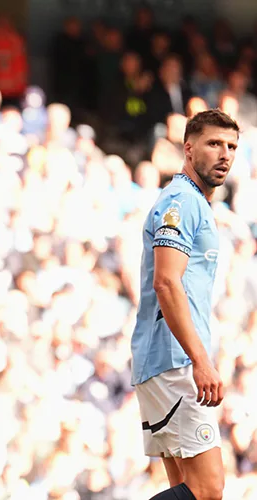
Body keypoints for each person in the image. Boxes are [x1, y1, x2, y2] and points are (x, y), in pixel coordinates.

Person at [131, 109, 239, 500]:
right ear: (189, 149)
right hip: (175, 360)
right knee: (209, 489)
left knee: (184, 489)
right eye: (214, 143)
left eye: (231, 146)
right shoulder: (181, 201)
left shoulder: (192, 201)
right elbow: (166, 281)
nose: (225, 154)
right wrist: (200, 360)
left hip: (161, 359)